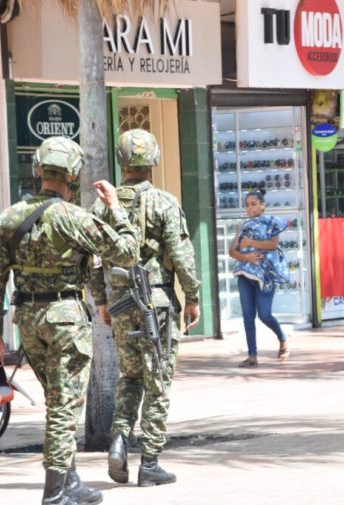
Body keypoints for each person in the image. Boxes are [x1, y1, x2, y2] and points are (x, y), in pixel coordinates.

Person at [0, 136, 141, 505]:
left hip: (28, 320)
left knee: (58, 399)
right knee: (63, 406)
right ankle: (55, 493)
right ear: (72, 174)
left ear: (38, 170)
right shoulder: (72, 217)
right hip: (66, 321)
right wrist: (115, 208)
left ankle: (70, 482)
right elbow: (128, 252)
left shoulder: (9, 217)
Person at [92, 129, 200, 488]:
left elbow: (92, 260)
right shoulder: (164, 202)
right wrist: (193, 296)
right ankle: (150, 461)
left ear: (123, 162)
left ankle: (120, 441)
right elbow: (181, 254)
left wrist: (102, 300)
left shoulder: (103, 206)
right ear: (153, 159)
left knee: (131, 377)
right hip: (158, 302)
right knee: (158, 381)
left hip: (121, 303)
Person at [228, 190, 290, 367]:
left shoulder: (271, 222)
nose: (250, 208)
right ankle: (252, 355)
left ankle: (282, 338)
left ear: (262, 205)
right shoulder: (242, 225)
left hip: (265, 275)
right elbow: (232, 251)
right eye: (247, 205)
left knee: (264, 314)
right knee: (248, 315)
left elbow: (273, 244)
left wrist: (250, 243)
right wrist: (245, 257)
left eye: (253, 204)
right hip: (244, 274)